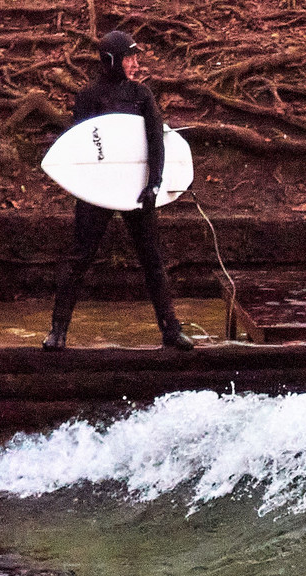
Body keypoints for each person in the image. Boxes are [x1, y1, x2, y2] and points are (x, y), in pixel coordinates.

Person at [44, 30, 192, 351]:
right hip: (98, 190)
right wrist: (89, 188)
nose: (135, 64)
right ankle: (58, 330)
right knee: (80, 257)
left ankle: (170, 329)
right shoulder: (88, 97)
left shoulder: (142, 96)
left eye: (136, 57)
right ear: (111, 61)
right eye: (129, 57)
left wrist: (154, 184)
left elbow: (156, 142)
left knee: (152, 258)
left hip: (137, 189)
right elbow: (83, 146)